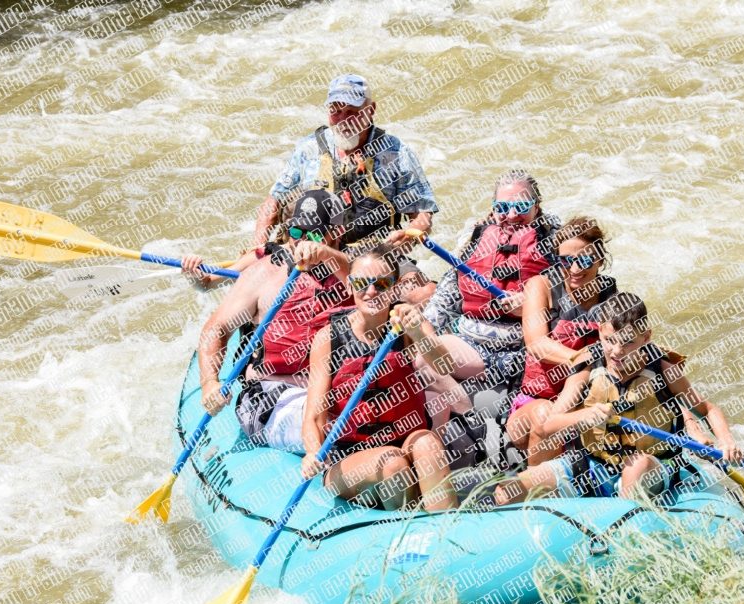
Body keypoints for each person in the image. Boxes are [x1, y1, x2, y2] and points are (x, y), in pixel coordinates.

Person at [494, 292, 742, 505]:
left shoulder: (663, 369)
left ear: (646, 337)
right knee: (507, 492)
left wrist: (726, 440)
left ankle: (625, 520)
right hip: (593, 468)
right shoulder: (587, 364)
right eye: (609, 340)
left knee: (636, 466)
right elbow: (547, 426)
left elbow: (707, 409)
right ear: (600, 331)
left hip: (653, 466)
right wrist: (583, 415)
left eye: (628, 343)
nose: (617, 352)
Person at [253, 74, 438, 306]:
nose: (343, 120)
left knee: (423, 294)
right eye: (336, 111)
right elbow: (273, 202)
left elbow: (422, 213)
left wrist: (411, 234)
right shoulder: (308, 149)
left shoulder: (396, 154)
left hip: (375, 256)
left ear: (371, 110)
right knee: (255, 287)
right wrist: (257, 246)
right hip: (310, 251)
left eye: (352, 112)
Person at [301, 244, 459, 511]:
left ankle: (446, 530)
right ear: (350, 285)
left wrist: (417, 333)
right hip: (349, 456)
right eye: (362, 283)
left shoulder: (407, 321)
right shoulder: (328, 338)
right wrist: (311, 452)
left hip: (404, 439)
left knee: (429, 445)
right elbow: (314, 417)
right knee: (393, 464)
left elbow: (444, 365)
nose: (372, 291)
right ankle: (406, 539)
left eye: (382, 283)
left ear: (394, 287)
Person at [197, 190, 353, 453]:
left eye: (313, 235)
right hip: (271, 392)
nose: (301, 242)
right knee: (337, 427)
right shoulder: (265, 272)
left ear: (335, 236)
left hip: (336, 387)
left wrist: (326, 255)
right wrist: (209, 382)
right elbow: (217, 328)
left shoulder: (355, 271)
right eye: (296, 232)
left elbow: (379, 287)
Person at [418, 169, 560, 429]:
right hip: (473, 347)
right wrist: (418, 330)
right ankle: (472, 422)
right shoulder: (475, 239)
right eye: (503, 207)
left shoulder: (556, 242)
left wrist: (531, 306)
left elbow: (573, 301)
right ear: (493, 208)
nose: (512, 215)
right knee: (422, 355)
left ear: (537, 207)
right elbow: (446, 299)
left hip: (524, 350)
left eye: (522, 206)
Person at [505, 217, 618, 467]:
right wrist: (577, 358)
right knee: (545, 413)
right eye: (566, 260)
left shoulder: (611, 296)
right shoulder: (540, 287)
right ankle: (537, 491)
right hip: (532, 404)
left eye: (585, 260)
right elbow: (536, 343)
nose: (575, 268)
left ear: (600, 260)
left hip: (586, 405)